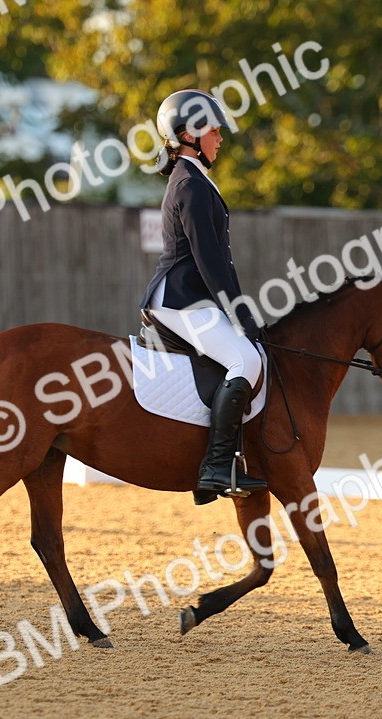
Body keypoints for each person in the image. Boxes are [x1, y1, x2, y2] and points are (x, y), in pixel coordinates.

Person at [139, 89, 267, 504]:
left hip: (192, 297)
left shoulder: (195, 179)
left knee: (249, 354)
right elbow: (211, 261)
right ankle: (216, 465)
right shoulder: (190, 184)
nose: (220, 138)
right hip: (181, 298)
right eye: (214, 130)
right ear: (191, 133)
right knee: (245, 358)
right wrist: (240, 314)